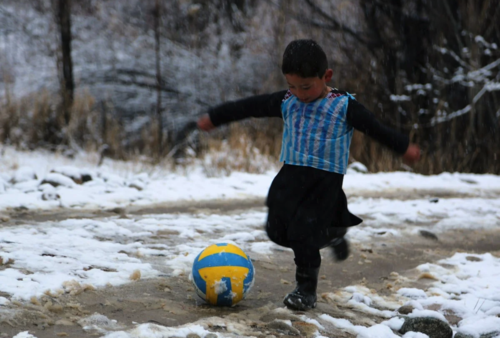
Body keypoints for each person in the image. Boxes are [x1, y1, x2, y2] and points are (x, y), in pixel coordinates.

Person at [197, 39, 420, 311]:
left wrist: (402, 147)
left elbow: (375, 128)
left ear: (326, 76)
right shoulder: (287, 101)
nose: (299, 93)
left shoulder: (343, 106)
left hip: (324, 182)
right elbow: (249, 107)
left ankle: (306, 289)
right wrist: (215, 117)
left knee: (302, 232)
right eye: (292, 85)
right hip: (291, 175)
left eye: (306, 86)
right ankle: (332, 231)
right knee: (277, 231)